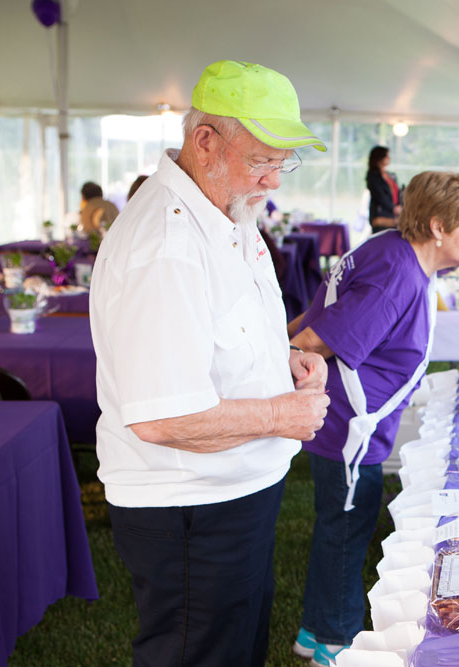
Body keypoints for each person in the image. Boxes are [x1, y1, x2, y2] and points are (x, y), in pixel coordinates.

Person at [89, 60, 331, 667]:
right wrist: (281, 412)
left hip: (232, 492)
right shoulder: (167, 244)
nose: (274, 180)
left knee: (234, 647)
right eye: (262, 160)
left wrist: (290, 361)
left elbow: (228, 331)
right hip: (189, 506)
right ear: (204, 141)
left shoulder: (225, 208)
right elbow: (164, 417)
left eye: (283, 162)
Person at [287, 171, 459, 666]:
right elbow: (316, 338)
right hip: (347, 425)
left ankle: (315, 630)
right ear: (439, 226)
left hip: (350, 423)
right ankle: (333, 641)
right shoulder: (398, 272)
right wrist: (280, 351)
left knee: (341, 525)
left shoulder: (399, 255)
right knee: (346, 530)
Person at [366, 145, 401, 233]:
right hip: (381, 216)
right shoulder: (373, 176)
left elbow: (397, 192)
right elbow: (379, 196)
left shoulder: (391, 175)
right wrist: (393, 208)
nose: (389, 158)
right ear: (380, 158)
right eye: (387, 156)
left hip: (394, 215)